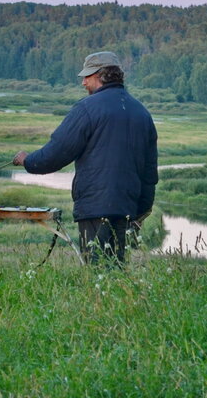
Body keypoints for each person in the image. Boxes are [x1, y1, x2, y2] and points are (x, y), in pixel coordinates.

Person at [12, 51, 158, 264]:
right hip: (127, 209)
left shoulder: (87, 108)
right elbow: (149, 171)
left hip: (95, 209)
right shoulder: (141, 112)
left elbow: (56, 153)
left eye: (87, 76)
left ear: (101, 75)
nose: (83, 82)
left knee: (97, 270)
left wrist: (28, 160)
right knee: (116, 271)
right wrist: (141, 210)